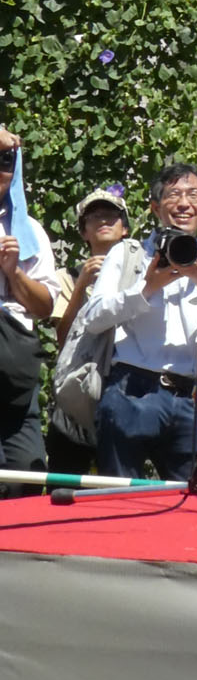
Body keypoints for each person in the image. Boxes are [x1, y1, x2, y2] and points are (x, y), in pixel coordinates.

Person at [79, 162, 197, 480]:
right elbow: (93, 318)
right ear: (156, 207)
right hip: (130, 390)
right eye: (174, 195)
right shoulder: (128, 253)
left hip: (189, 399)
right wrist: (146, 288)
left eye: (193, 195)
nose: (185, 204)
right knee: (119, 494)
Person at [46, 187, 131, 478]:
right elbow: (62, 339)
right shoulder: (67, 278)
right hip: (75, 404)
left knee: (117, 488)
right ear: (83, 231)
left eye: (111, 215)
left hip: (123, 396)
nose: (103, 221)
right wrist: (81, 285)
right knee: (65, 484)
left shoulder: (140, 279)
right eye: (94, 217)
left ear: (125, 228)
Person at [0, 128, 60, 496]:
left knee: (26, 472)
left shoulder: (29, 230)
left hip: (15, 373)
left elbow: (44, 306)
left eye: (6, 161)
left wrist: (14, 273)